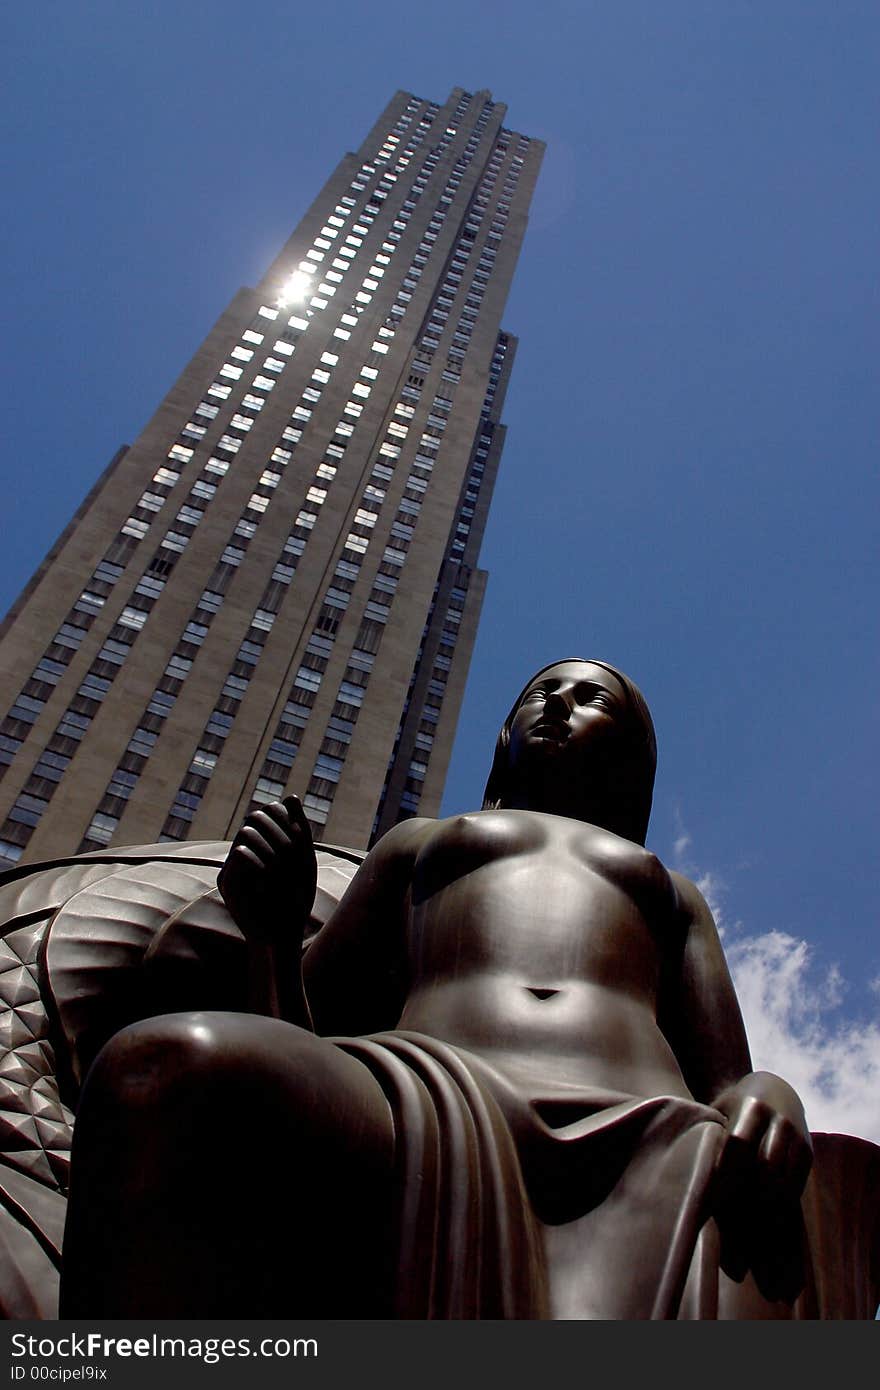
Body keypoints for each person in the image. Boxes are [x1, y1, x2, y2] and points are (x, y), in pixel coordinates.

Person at [60, 660, 814, 1318]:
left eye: (592, 699)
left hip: (641, 1128)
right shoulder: (420, 842)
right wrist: (274, 934)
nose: (556, 703)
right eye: (540, 693)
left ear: (629, 759)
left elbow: (728, 1075)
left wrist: (773, 1091)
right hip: (417, 1092)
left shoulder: (665, 887)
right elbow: (308, 1032)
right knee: (160, 1066)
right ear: (503, 738)